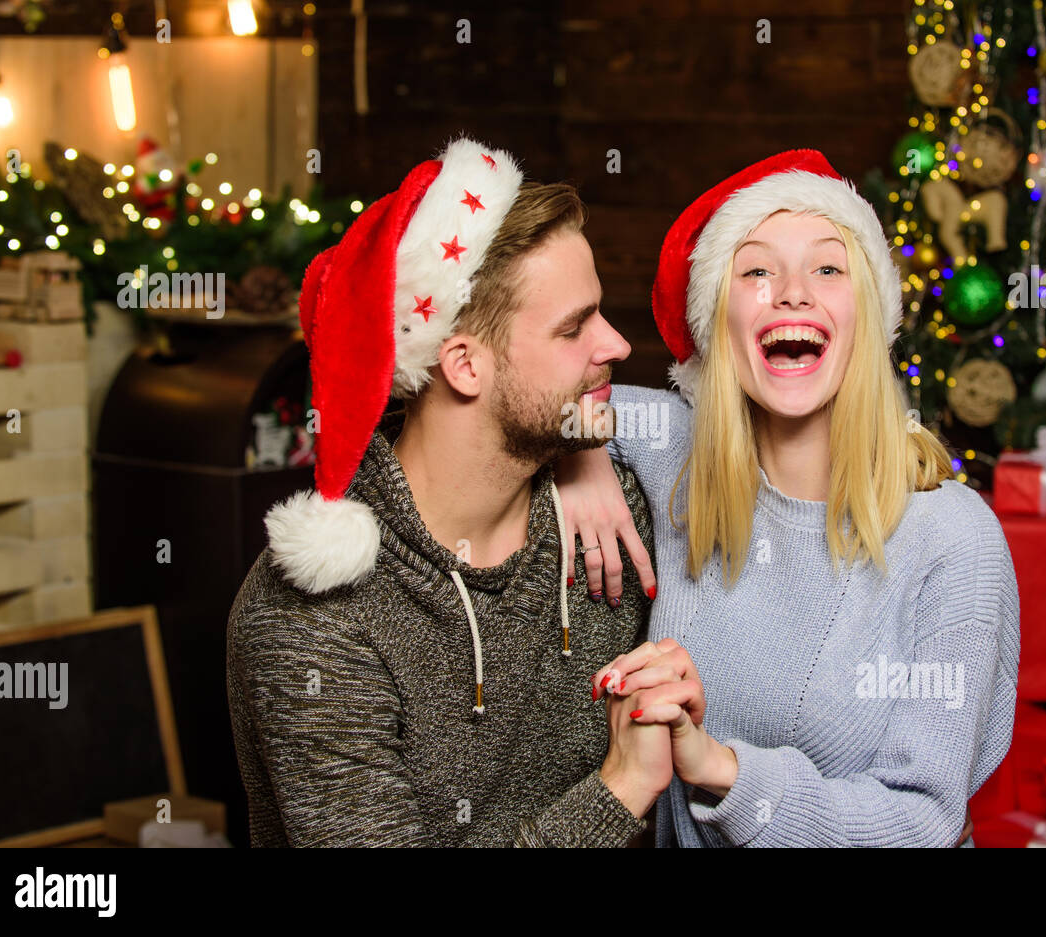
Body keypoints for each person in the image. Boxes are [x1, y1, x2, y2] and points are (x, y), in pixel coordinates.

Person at [227, 136, 697, 846]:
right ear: (465, 366)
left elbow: (749, 447)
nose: (618, 345)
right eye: (575, 327)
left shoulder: (612, 513)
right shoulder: (314, 622)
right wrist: (621, 788)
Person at [556, 149, 1020, 847]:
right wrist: (582, 455)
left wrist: (722, 770)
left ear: (868, 315)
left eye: (828, 267)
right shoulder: (679, 452)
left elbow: (925, 820)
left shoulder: (953, 537)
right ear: (720, 326)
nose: (793, 292)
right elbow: (545, 399)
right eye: (756, 271)